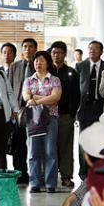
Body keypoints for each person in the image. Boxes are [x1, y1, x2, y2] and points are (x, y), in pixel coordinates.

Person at [22, 51, 62, 193]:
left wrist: (36, 99)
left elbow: (55, 98)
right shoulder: (28, 80)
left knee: (50, 151)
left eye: (41, 61)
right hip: (33, 118)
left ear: (48, 63)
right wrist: (45, 97)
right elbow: (27, 97)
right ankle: (34, 183)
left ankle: (50, 184)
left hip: (50, 118)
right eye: (36, 61)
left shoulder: (55, 80)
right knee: (33, 152)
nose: (38, 63)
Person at [75, 40, 104, 180]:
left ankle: (97, 169)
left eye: (96, 49)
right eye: (90, 48)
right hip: (84, 109)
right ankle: (83, 172)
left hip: (101, 107)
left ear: (101, 52)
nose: (92, 51)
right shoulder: (80, 66)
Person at [6, 38, 39, 184]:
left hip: (37, 109)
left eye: (30, 46)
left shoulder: (40, 65)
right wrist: (12, 109)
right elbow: (9, 88)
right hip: (18, 110)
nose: (27, 49)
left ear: (35, 49)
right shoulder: (14, 66)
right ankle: (20, 173)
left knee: (36, 144)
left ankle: (37, 175)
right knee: (19, 144)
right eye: (25, 46)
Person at [51, 41, 80, 188]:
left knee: (66, 147)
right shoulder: (45, 71)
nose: (56, 55)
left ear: (64, 54)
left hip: (64, 116)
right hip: (47, 116)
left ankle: (66, 176)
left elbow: (77, 95)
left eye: (59, 52)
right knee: (48, 147)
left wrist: (71, 113)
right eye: (54, 52)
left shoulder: (71, 72)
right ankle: (48, 177)